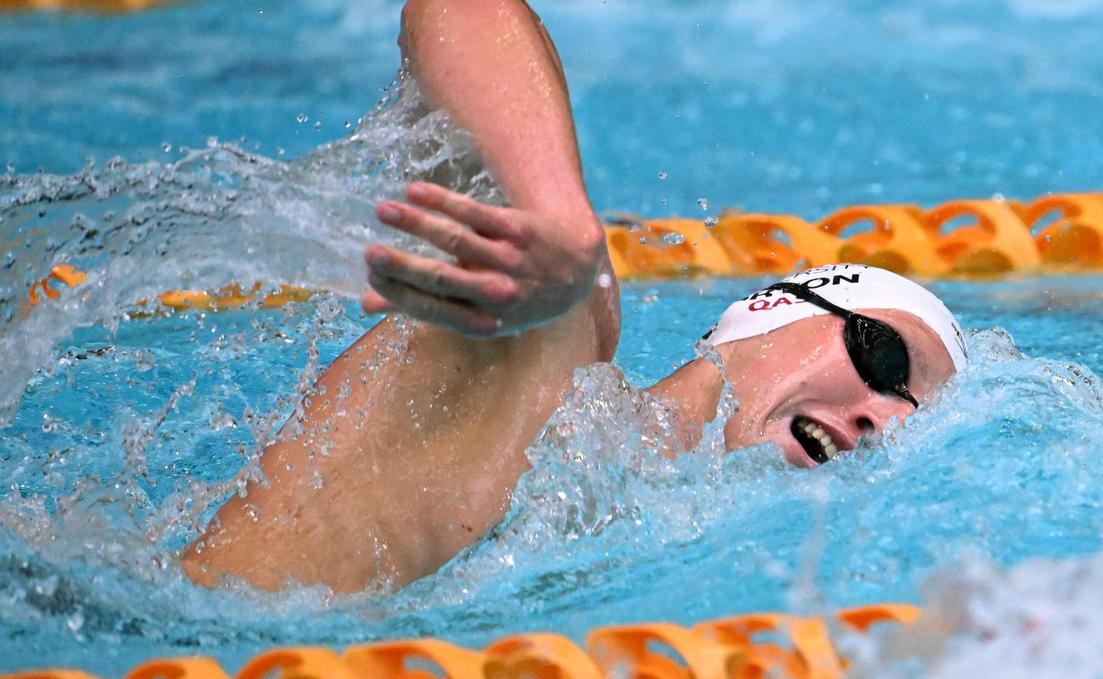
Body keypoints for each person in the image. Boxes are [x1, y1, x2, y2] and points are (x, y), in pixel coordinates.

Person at [181, 0, 966, 594]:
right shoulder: (558, 358)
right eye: (881, 356)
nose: (879, 417)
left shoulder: (679, 551)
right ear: (768, 309)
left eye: (910, 419)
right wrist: (554, 214)